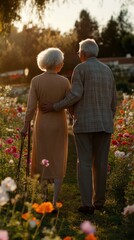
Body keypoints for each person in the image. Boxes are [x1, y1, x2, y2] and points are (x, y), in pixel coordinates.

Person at [41, 39, 117, 214]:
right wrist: (107, 116)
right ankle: (99, 201)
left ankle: (87, 204)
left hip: (84, 123)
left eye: (78, 53)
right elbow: (113, 102)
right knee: (100, 163)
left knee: (84, 163)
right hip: (105, 123)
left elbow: (75, 95)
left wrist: (56, 106)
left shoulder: (80, 69)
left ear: (83, 53)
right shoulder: (107, 71)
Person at [20, 47, 70, 211]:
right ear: (58, 63)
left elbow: (31, 107)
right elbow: (70, 103)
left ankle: (43, 201)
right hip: (59, 124)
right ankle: (54, 202)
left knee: (41, 158)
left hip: (42, 123)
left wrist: (25, 125)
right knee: (58, 159)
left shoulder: (36, 81)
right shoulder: (64, 82)